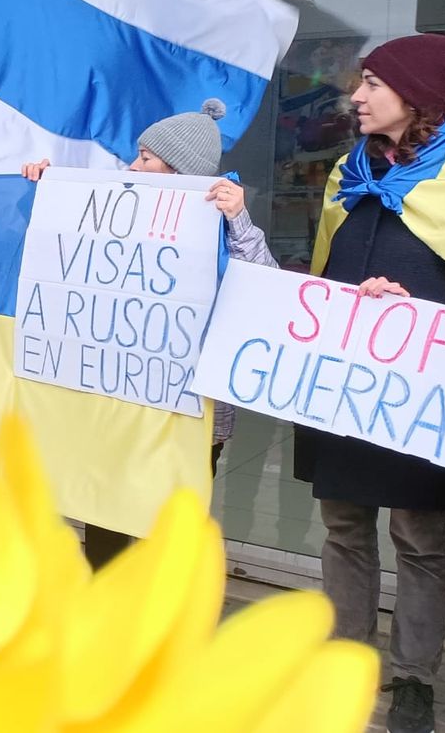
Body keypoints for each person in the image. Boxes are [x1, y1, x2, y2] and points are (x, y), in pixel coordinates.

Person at [22, 99, 282, 566]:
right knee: (107, 511)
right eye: (137, 155)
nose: (132, 165)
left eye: (146, 158)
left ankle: (159, 620)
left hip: (194, 412)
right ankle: (106, 606)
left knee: (172, 523)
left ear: (180, 170)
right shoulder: (118, 211)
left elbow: (263, 287)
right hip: (123, 398)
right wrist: (44, 190)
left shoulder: (225, 223)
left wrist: (239, 220)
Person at [288, 34, 445, 733]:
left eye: (375, 84)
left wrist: (410, 307)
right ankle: (344, 660)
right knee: (344, 527)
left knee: (421, 537)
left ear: (418, 96)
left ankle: (413, 681)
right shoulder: (346, 174)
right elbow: (326, 270)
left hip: (420, 392)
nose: (356, 96)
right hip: (346, 386)